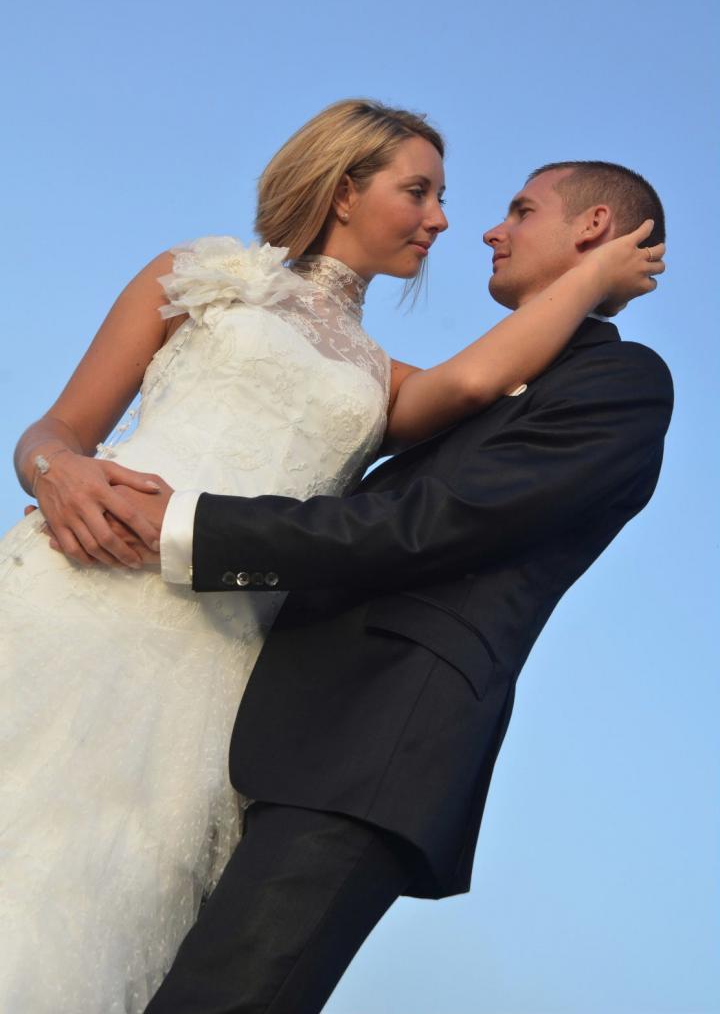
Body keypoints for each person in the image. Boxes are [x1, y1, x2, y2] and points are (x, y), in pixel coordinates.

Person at [0, 93, 660, 1014]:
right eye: (419, 191)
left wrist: (592, 280)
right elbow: (58, 426)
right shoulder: (194, 275)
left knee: (97, 881)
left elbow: (478, 380)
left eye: (461, 200)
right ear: (345, 189)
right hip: (79, 579)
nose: (446, 221)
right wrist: (53, 471)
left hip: (210, 645)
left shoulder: (385, 379)